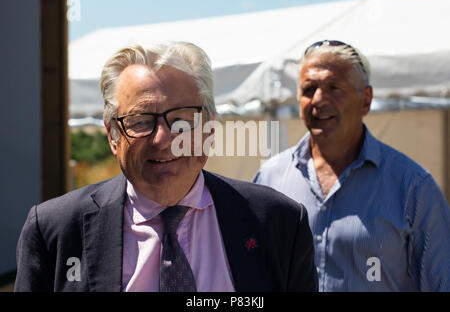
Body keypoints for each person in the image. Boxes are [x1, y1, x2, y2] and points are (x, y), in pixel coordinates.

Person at [15, 41, 317, 292]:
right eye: (141, 121)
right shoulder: (55, 230)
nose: (163, 139)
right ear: (113, 136)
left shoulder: (279, 223)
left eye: (182, 120)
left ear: (209, 128)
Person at [254, 40, 450, 292]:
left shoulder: (412, 187)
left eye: (334, 87)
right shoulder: (270, 177)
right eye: (308, 89)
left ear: (366, 99)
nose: (319, 100)